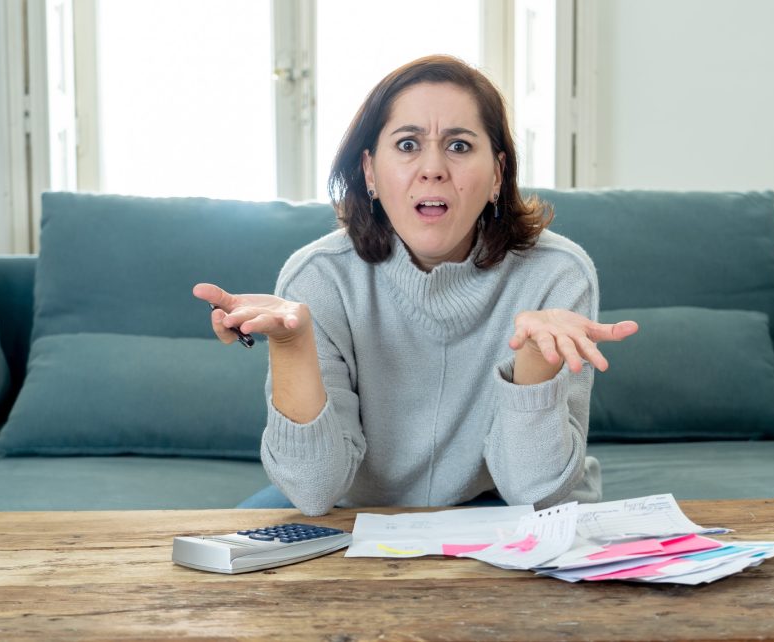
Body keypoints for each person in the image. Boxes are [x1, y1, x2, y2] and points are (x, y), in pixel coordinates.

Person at [193, 55, 638, 516]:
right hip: (360, 511)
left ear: (498, 175)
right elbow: (312, 490)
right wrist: (291, 345)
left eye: (460, 147)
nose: (433, 168)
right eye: (407, 144)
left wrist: (533, 364)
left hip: (502, 504)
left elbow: (536, 491)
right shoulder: (318, 277)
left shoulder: (557, 273)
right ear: (369, 172)